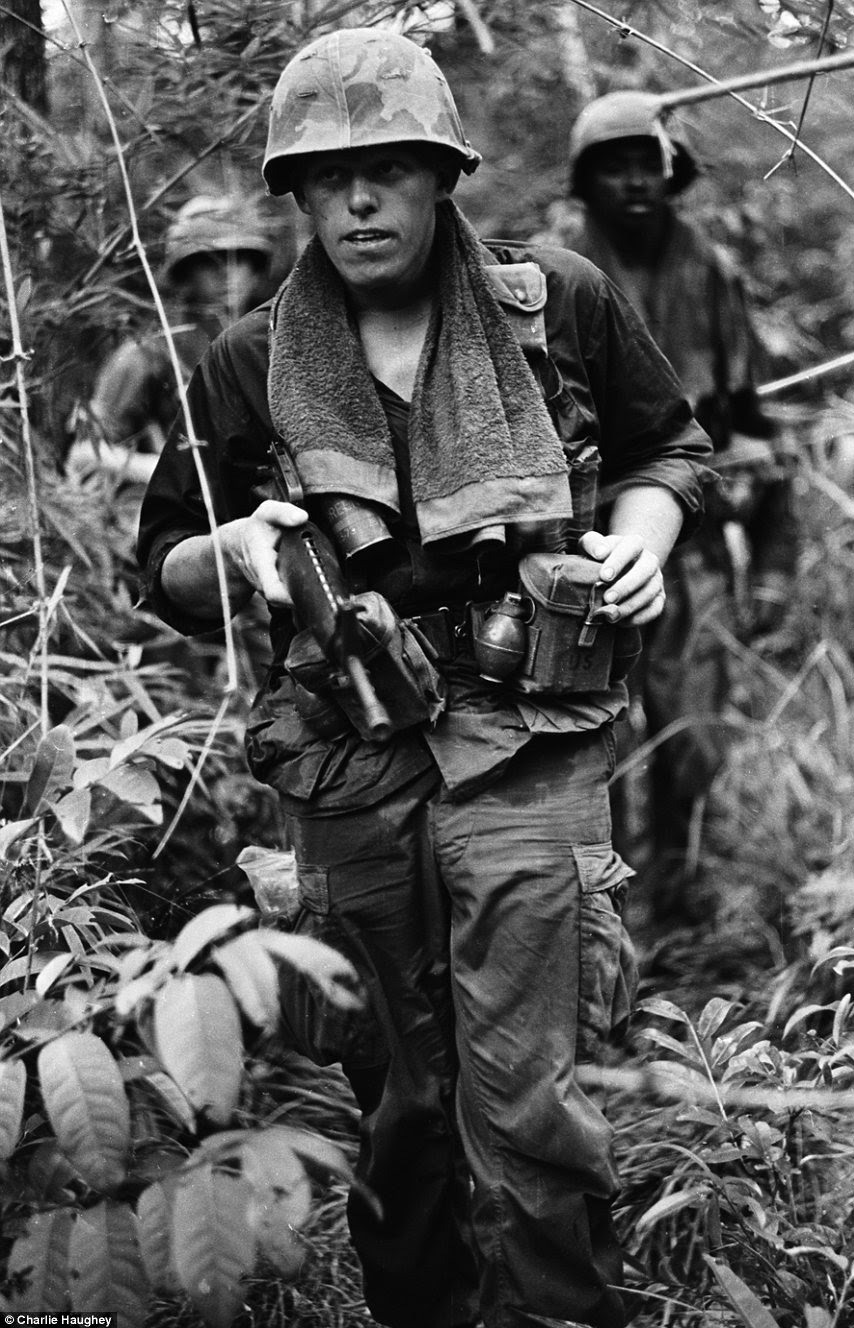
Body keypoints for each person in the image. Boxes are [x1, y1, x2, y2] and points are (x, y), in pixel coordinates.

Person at [137, 29, 711, 1328]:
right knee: (399, 1106)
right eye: (325, 179)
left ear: (441, 173)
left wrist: (644, 541)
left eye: (387, 169)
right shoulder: (244, 360)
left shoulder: (555, 301)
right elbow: (160, 567)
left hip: (530, 737)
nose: (356, 203)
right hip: (349, 756)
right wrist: (232, 550)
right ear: (292, 194)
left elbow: (670, 446)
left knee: (528, 1105)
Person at [549, 91, 798, 909]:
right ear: (586, 182)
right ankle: (605, 917)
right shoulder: (554, 275)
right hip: (588, 557)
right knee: (596, 744)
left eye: (645, 164)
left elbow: (760, 428)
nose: (633, 182)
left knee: (695, 738)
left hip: (692, 550)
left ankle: (684, 900)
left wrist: (770, 567)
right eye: (611, 167)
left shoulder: (711, 271)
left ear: (671, 173)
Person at [68, 194, 273, 486]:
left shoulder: (274, 343)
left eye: (240, 258)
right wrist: (181, 473)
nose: (227, 271)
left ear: (255, 268)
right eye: (209, 261)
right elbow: (83, 456)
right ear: (185, 272)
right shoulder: (147, 353)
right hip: (178, 511)